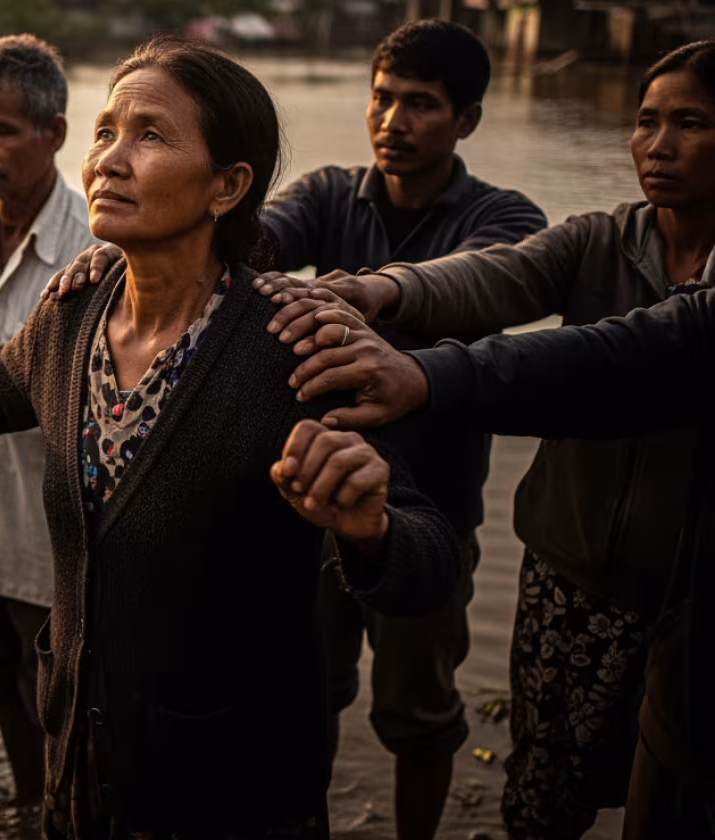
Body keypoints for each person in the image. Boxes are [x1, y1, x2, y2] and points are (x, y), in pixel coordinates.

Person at [0, 36, 460, 837]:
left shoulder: (286, 348)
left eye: (151, 136)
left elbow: (430, 559)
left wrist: (371, 529)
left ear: (228, 185)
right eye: (105, 133)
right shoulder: (75, 312)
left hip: (228, 784)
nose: (109, 161)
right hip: (82, 758)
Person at [44, 24, 545, 836]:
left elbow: (482, 280)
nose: (393, 121)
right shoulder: (331, 194)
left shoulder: (503, 215)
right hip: (307, 492)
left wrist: (371, 293)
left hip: (420, 502)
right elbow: (248, 234)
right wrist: (141, 247)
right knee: (313, 682)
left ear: (468, 120)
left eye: (421, 105)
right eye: (382, 99)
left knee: (416, 709)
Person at [252, 38, 715, 839]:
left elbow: (540, 312)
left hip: (484, 529)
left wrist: (413, 365)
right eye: (646, 121)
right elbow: (485, 278)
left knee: (661, 790)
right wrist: (369, 285)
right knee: (538, 792)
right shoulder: (595, 238)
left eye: (691, 123)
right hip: (563, 571)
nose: (658, 144)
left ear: (466, 119)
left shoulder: (504, 215)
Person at [255, 286, 715, 840]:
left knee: (420, 715)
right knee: (321, 693)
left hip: (435, 515)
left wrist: (412, 357)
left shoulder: (500, 232)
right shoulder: (325, 225)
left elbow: (492, 277)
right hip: (334, 512)